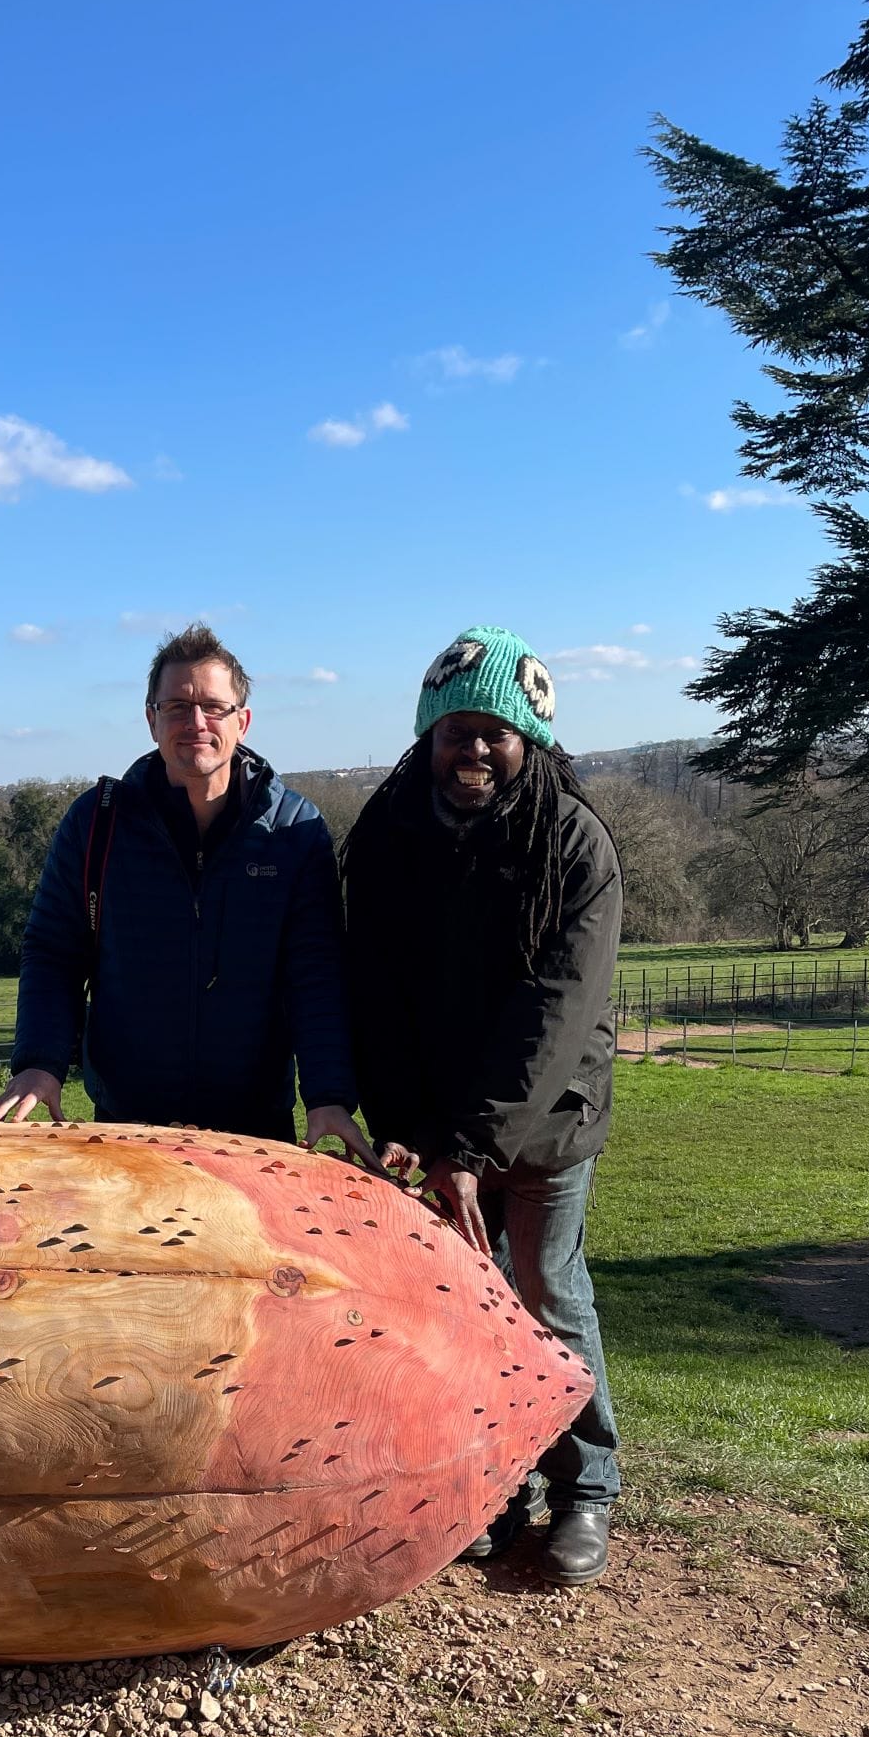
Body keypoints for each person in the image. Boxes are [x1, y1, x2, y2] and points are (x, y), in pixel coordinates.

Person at [342, 625, 623, 1586]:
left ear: (530, 740)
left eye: (493, 733)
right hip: (432, 1126)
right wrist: (411, 1133)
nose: (472, 751)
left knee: (544, 1292)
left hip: (544, 1122)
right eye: (455, 729)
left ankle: (585, 1486)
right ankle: (490, 1490)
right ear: (426, 734)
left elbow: (557, 1012)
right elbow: (371, 991)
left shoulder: (574, 842)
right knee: (458, 1303)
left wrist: (476, 1142)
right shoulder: (383, 837)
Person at [0, 623, 378, 1164]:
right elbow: (54, 950)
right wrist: (40, 1063)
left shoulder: (295, 830)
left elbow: (315, 972)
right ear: (151, 720)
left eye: (214, 708)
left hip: (256, 1130)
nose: (196, 723)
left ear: (242, 722)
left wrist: (329, 1096)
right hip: (126, 1125)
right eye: (176, 707)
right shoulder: (97, 825)